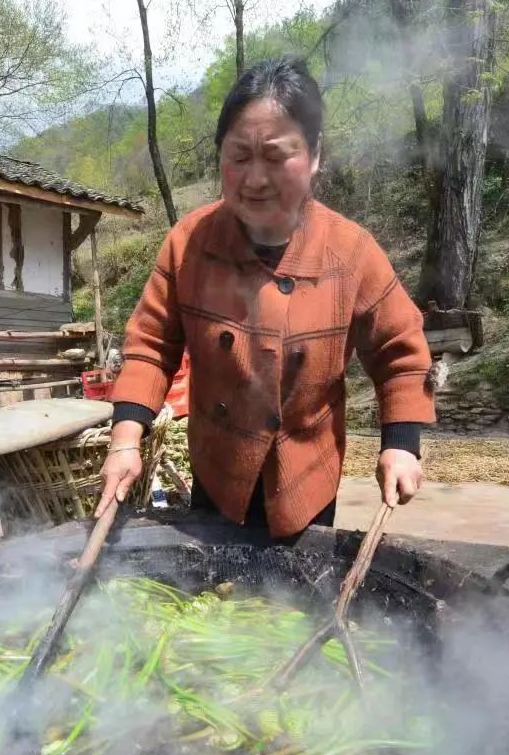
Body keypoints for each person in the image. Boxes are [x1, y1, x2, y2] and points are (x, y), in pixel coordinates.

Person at [97, 57, 435, 539]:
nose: (255, 178)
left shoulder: (351, 251)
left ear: (315, 154)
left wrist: (401, 443)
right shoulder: (189, 243)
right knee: (213, 600)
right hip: (218, 473)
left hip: (307, 477)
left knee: (295, 606)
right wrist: (126, 437)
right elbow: (150, 346)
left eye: (276, 157)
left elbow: (400, 352)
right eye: (239, 157)